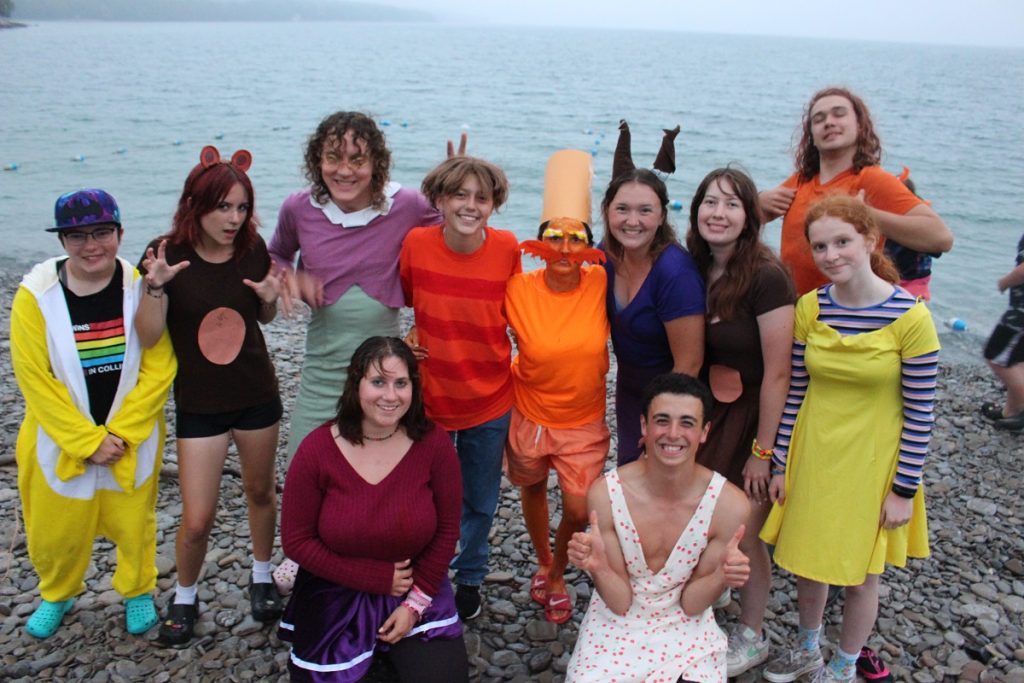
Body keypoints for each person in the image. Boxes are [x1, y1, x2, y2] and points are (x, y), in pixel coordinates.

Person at [760, 195, 939, 683]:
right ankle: (806, 646)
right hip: (814, 451)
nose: (831, 254)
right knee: (809, 560)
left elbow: (922, 412)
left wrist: (904, 489)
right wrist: (779, 463)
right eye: (820, 246)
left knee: (862, 572)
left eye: (842, 241)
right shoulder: (810, 308)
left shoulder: (912, 318)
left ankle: (843, 665)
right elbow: (795, 390)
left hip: (873, 460)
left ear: (870, 240)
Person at [135, 146, 285, 646]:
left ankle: (262, 576)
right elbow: (150, 335)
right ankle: (184, 594)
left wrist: (269, 303)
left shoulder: (252, 248)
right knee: (197, 518)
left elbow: (261, 319)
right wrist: (154, 289)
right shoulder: (164, 254)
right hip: (199, 403)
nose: (234, 217)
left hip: (255, 392)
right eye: (224, 206)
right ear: (195, 204)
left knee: (260, 492)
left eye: (242, 207)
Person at [11, 189, 175, 639]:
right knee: (54, 528)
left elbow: (160, 366)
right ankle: (57, 591)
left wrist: (122, 432)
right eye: (77, 235)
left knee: (134, 523)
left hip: (128, 439)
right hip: (59, 439)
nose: (91, 246)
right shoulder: (35, 296)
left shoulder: (141, 286)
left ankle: (137, 588)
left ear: (120, 233)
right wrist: (85, 440)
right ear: (62, 239)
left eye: (102, 232)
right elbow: (33, 378)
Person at [278, 336, 468, 683]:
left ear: (414, 387)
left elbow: (446, 529)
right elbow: (297, 541)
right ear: (356, 383)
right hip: (334, 586)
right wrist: (373, 578)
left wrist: (415, 604)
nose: (390, 396)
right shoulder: (318, 449)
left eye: (401, 383)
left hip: (413, 584)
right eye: (378, 381)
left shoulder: (434, 444)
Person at [269, 111, 443, 459]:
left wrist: (453, 183)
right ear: (317, 161)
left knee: (382, 484)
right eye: (333, 158)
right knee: (305, 471)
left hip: (386, 382)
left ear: (376, 163)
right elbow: (276, 253)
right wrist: (285, 277)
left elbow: (451, 235)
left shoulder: (406, 205)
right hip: (322, 378)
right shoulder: (299, 208)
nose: (344, 171)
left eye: (357, 159)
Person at [565, 373, 751, 683]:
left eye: (687, 423)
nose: (673, 434)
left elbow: (692, 605)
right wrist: (599, 568)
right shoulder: (607, 494)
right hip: (617, 623)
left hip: (687, 628)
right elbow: (620, 602)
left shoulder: (729, 505)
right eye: (662, 421)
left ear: (705, 431)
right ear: (644, 426)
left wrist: (722, 576)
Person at [399, 155, 520, 621]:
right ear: (440, 201)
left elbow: (518, 312)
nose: (470, 206)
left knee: (479, 498)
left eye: (481, 198)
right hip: (428, 399)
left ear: (494, 205)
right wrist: (408, 340)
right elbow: (410, 299)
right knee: (423, 497)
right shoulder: (416, 243)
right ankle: (422, 578)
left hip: (490, 398)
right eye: (459, 195)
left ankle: (470, 575)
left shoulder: (508, 247)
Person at [685, 167, 795, 676]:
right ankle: (712, 597)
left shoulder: (767, 276)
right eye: (710, 202)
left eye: (731, 204)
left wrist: (764, 452)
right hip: (711, 411)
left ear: (750, 216)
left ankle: (753, 634)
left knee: (745, 532)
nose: (718, 213)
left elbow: (779, 374)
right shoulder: (694, 267)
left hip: (754, 415)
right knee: (705, 519)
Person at [504, 150, 610, 625]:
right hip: (527, 411)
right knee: (531, 486)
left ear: (590, 244)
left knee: (578, 506)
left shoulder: (601, 282)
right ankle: (547, 566)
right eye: (554, 237)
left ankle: (560, 565)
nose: (565, 250)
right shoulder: (518, 288)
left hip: (583, 420)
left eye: (576, 238)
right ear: (538, 241)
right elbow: (474, 315)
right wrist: (421, 328)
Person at [760, 86, 953, 295]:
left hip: (847, 314)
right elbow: (744, 220)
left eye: (839, 114)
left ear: (860, 126)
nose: (829, 122)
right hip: (798, 312)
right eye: (818, 119)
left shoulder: (871, 179)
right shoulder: (801, 180)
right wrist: (759, 201)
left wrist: (866, 215)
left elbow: (940, 238)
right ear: (811, 136)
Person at [602, 169, 705, 465]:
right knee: (630, 475)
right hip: (628, 388)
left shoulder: (675, 273)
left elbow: (690, 363)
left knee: (658, 475)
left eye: (645, 210)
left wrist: (663, 425)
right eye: (622, 209)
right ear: (607, 211)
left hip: (670, 397)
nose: (632, 221)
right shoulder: (606, 256)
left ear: (661, 216)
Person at [981, 232, 1024, 430]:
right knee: (1017, 360)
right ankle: (1012, 412)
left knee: (995, 355)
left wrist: (1005, 282)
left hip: (1020, 313)